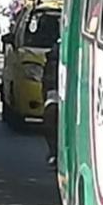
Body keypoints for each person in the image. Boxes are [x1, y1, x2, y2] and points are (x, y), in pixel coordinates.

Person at [42, 37, 60, 167]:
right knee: (49, 118)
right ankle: (53, 151)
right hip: (55, 92)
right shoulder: (53, 54)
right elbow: (46, 80)